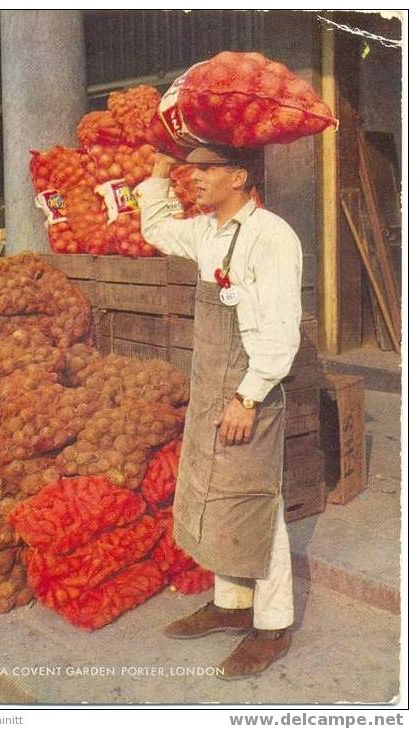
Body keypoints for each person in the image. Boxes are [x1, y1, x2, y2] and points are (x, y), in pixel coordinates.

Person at [135, 145, 302, 681]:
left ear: (240, 175)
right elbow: (157, 229)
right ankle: (230, 604)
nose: (194, 176)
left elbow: (280, 333)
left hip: (250, 390)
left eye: (206, 169)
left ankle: (273, 626)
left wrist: (248, 397)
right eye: (191, 167)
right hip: (212, 388)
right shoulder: (207, 231)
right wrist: (159, 174)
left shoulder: (272, 236)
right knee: (215, 493)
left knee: (255, 501)